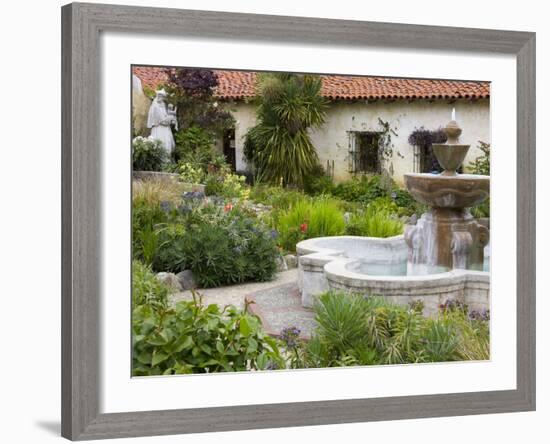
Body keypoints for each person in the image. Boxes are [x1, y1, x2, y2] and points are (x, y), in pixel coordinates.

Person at [147, 89, 176, 155]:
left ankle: (167, 162)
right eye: (160, 96)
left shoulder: (163, 105)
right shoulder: (155, 107)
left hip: (165, 129)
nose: (161, 98)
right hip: (159, 128)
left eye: (163, 97)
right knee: (160, 143)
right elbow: (162, 120)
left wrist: (169, 113)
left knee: (167, 143)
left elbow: (165, 116)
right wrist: (170, 118)